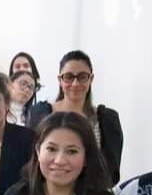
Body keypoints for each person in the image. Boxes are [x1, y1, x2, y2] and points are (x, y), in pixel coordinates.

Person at [27, 51, 123, 184]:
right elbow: (30, 161)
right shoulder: (41, 114)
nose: (75, 83)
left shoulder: (106, 119)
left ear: (91, 79)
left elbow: (111, 171)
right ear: (60, 80)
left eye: (82, 77)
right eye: (68, 77)